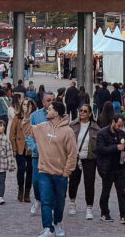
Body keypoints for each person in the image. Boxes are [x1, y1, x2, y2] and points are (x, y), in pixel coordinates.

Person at [33, 100, 78, 237]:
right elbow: (29, 130)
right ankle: (48, 228)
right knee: (46, 200)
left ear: (57, 113)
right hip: (44, 171)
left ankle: (57, 222)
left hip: (60, 173)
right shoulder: (42, 127)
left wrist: (66, 171)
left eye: (50, 109)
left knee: (59, 201)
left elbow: (72, 153)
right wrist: (23, 115)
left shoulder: (68, 131)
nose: (47, 111)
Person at [96, 113, 125, 224]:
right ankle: (105, 213)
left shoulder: (122, 134)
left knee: (121, 192)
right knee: (106, 191)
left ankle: (124, 215)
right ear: (113, 122)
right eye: (119, 125)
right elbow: (100, 149)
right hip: (107, 167)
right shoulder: (102, 133)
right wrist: (116, 147)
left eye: (122, 126)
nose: (120, 128)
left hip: (120, 167)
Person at [67, 104, 99, 220]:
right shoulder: (72, 125)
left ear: (90, 114)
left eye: (85, 111)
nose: (82, 113)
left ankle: (89, 208)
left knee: (89, 183)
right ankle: (72, 203)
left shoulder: (95, 128)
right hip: (75, 157)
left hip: (89, 158)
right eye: (81, 110)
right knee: (73, 181)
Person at [28, 93, 53, 216]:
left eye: (53, 100)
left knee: (52, 180)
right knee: (36, 181)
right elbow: (29, 134)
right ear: (43, 102)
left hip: (54, 155)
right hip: (38, 155)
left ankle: (49, 203)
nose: (51, 102)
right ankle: (38, 199)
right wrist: (34, 147)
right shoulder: (35, 116)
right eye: (48, 100)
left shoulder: (60, 116)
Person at [10, 98, 37, 203]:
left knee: (30, 171)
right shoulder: (17, 117)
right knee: (21, 170)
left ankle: (27, 193)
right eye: (24, 104)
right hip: (20, 148)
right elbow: (12, 134)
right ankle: (20, 189)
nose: (25, 107)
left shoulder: (34, 118)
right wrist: (14, 148)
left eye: (28, 105)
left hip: (31, 149)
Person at [0, 119, 16, 205]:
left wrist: (11, 165)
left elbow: (9, 152)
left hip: (2, 165)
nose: (3, 127)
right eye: (0, 125)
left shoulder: (5, 139)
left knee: (2, 181)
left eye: (4, 126)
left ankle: (1, 196)